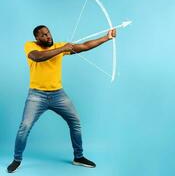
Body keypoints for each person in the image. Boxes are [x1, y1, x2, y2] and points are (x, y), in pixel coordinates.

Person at [7, 25, 116, 173]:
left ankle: (78, 157)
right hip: (36, 96)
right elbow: (37, 57)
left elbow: (84, 46)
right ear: (37, 38)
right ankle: (17, 160)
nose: (48, 37)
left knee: (75, 121)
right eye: (44, 35)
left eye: (49, 33)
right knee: (24, 127)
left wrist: (107, 37)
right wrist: (62, 49)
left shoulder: (59, 46)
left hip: (58, 94)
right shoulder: (30, 46)